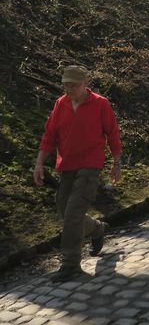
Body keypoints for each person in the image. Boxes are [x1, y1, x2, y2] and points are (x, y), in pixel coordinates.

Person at [33, 65, 121, 282]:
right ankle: (97, 229)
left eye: (73, 85)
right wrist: (39, 164)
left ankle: (70, 264)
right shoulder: (60, 104)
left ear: (85, 84)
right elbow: (49, 136)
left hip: (90, 165)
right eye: (65, 85)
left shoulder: (100, 104)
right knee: (65, 210)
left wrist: (116, 162)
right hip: (67, 165)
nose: (69, 89)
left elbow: (113, 134)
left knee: (73, 213)